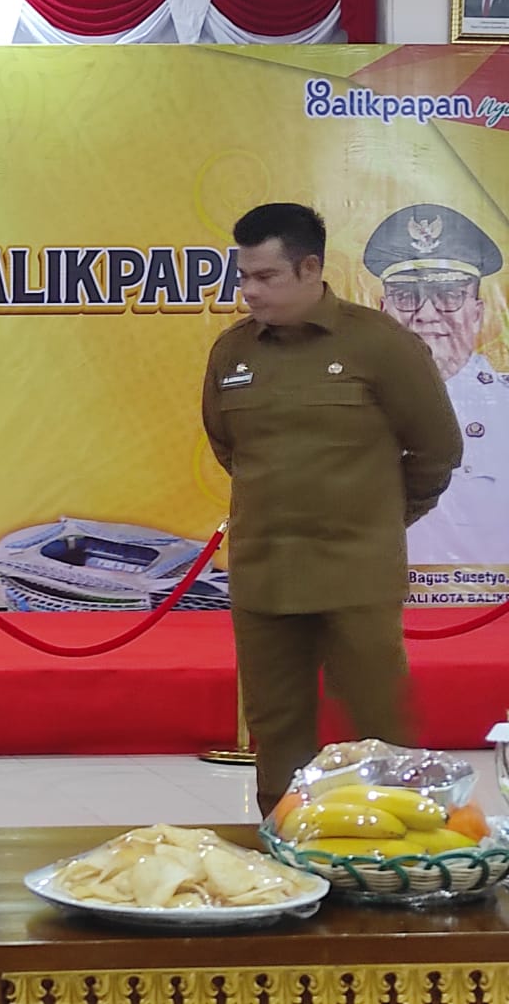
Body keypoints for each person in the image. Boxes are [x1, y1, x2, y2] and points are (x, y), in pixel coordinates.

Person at [202, 202, 461, 816]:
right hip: (264, 574)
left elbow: (436, 449)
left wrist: (378, 518)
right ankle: (285, 845)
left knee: (379, 723)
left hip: (356, 575)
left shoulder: (380, 345)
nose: (249, 291)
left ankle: (396, 848)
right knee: (276, 729)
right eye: (243, 276)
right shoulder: (233, 352)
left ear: (311, 268)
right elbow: (228, 446)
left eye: (265, 276)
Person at [364, 204, 509, 566]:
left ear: (477, 312)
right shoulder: (351, 406)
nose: (426, 314)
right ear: (384, 311)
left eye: (448, 294)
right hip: (374, 593)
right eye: (406, 296)